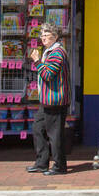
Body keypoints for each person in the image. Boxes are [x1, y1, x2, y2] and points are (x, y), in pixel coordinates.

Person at [28, 23, 71, 175]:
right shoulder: (49, 51)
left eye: (46, 35)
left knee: (55, 134)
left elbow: (47, 75)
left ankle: (60, 166)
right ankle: (41, 163)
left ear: (55, 36)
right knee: (38, 129)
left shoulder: (57, 52)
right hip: (46, 100)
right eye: (42, 35)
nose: (43, 38)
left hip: (55, 100)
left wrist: (37, 61)